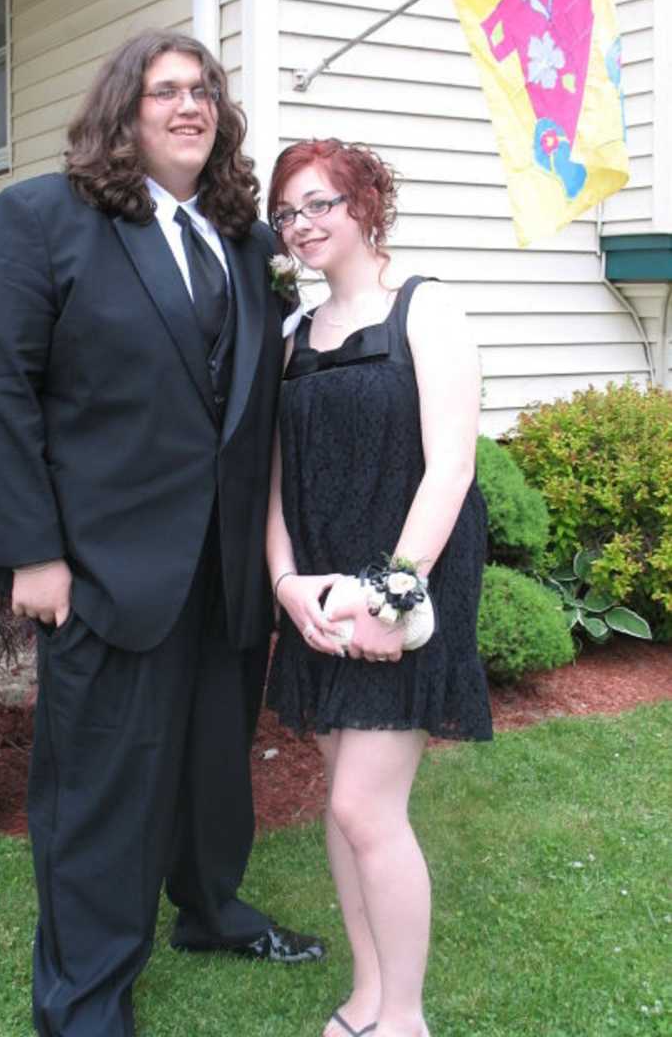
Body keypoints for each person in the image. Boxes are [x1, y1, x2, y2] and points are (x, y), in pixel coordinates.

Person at [0, 30, 323, 1037]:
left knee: (212, 765)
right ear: (125, 111)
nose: (189, 107)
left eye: (204, 92)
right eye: (166, 92)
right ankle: (85, 1000)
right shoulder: (42, 218)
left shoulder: (242, 238)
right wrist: (34, 550)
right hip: (102, 566)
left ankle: (211, 909)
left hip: (225, 566)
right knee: (103, 794)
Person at [264, 139, 493, 1037]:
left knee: (367, 804)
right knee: (340, 802)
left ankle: (403, 1018)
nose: (303, 226)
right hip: (321, 594)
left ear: (365, 203)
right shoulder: (291, 335)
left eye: (319, 203)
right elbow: (274, 483)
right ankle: (366, 994)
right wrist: (288, 586)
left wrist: (390, 595)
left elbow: (452, 469)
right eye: (287, 214)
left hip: (409, 589)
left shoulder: (427, 311)